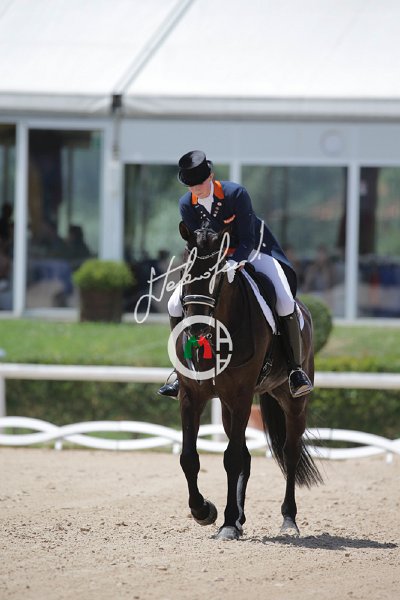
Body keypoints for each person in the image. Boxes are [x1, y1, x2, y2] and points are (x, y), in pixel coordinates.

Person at [158, 150, 313, 398]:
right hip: (215, 259)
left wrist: (235, 261)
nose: (196, 190)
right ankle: (182, 371)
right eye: (191, 186)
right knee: (175, 304)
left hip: (254, 250)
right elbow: (198, 243)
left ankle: (295, 370)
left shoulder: (235, 194)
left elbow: (248, 237)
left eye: (200, 184)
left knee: (285, 301)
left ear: (211, 176)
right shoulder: (187, 204)